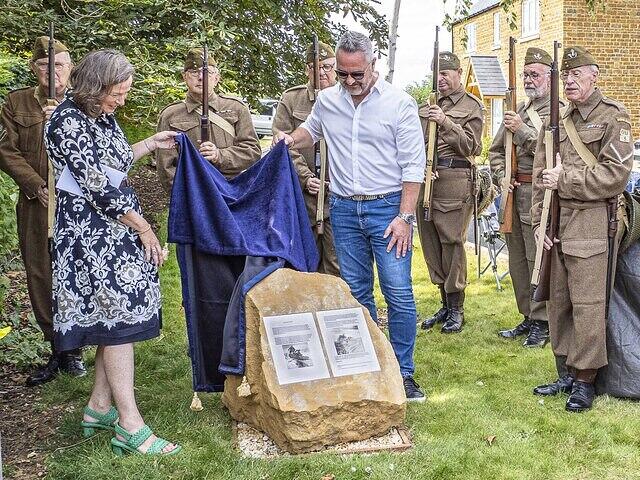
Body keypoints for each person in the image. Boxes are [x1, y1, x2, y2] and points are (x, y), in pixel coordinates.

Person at [275, 31, 427, 402]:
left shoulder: (399, 104)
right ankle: (366, 364)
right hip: (342, 208)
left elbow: (414, 166)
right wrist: (289, 140)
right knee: (356, 292)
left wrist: (405, 217)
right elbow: (311, 131)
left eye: (356, 74)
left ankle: (403, 373)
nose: (349, 82)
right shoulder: (328, 101)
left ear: (374, 65)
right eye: (342, 74)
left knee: (398, 292)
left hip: (388, 209)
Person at [44, 49, 181, 454]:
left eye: (123, 93)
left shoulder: (100, 115)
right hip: (90, 235)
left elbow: (115, 160)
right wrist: (144, 228)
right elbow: (96, 185)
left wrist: (149, 144)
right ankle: (130, 425)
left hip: (113, 228)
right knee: (119, 320)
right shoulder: (65, 121)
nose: (121, 101)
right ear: (94, 85)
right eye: (116, 93)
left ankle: (99, 406)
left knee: (115, 317)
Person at [531, 46, 633, 412]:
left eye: (577, 75)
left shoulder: (614, 117)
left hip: (592, 220)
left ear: (595, 76)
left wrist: (566, 180)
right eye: (566, 76)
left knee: (588, 304)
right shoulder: (556, 119)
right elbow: (543, 177)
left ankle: (585, 379)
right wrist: (538, 221)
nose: (570, 82)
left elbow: (615, 175)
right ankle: (565, 371)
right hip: (556, 219)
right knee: (558, 300)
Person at [0, 36, 87, 386]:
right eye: (43, 65)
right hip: (37, 204)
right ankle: (58, 350)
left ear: (71, 68)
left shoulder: (85, 101)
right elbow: (6, 150)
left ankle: (77, 348)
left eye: (60, 65)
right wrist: (36, 186)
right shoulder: (16, 102)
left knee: (76, 271)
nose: (52, 71)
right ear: (34, 69)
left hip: (77, 204)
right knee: (40, 273)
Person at [489, 47, 556, 348]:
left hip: (539, 193)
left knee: (537, 258)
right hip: (514, 193)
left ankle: (543, 322)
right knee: (516, 259)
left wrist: (523, 130)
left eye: (535, 74)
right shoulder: (517, 109)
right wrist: (502, 174)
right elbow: (494, 151)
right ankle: (527, 315)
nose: (529, 79)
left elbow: (552, 153)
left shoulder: (558, 112)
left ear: (549, 78)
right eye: (526, 74)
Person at [416, 52, 484, 334]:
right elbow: (411, 143)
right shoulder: (425, 107)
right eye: (437, 74)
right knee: (431, 243)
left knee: (452, 244)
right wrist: (419, 165)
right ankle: (444, 303)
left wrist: (445, 121)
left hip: (454, 182)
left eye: (446, 73)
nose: (441, 79)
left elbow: (472, 147)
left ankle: (457, 307)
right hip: (425, 181)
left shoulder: (472, 106)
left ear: (458, 73)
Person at [272, 41, 340, 275]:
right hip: (302, 196)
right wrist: (306, 177)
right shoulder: (292, 99)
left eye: (327, 67)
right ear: (306, 69)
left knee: (337, 265)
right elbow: (283, 143)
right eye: (314, 67)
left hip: (338, 193)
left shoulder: (348, 98)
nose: (321, 72)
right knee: (302, 264)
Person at [155, 48, 261, 191]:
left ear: (216, 78)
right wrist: (187, 196)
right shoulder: (170, 114)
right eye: (194, 72)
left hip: (231, 191)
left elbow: (252, 152)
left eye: (207, 72)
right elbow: (166, 166)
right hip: (191, 194)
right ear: (184, 77)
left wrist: (219, 155)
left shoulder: (236, 108)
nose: (200, 77)